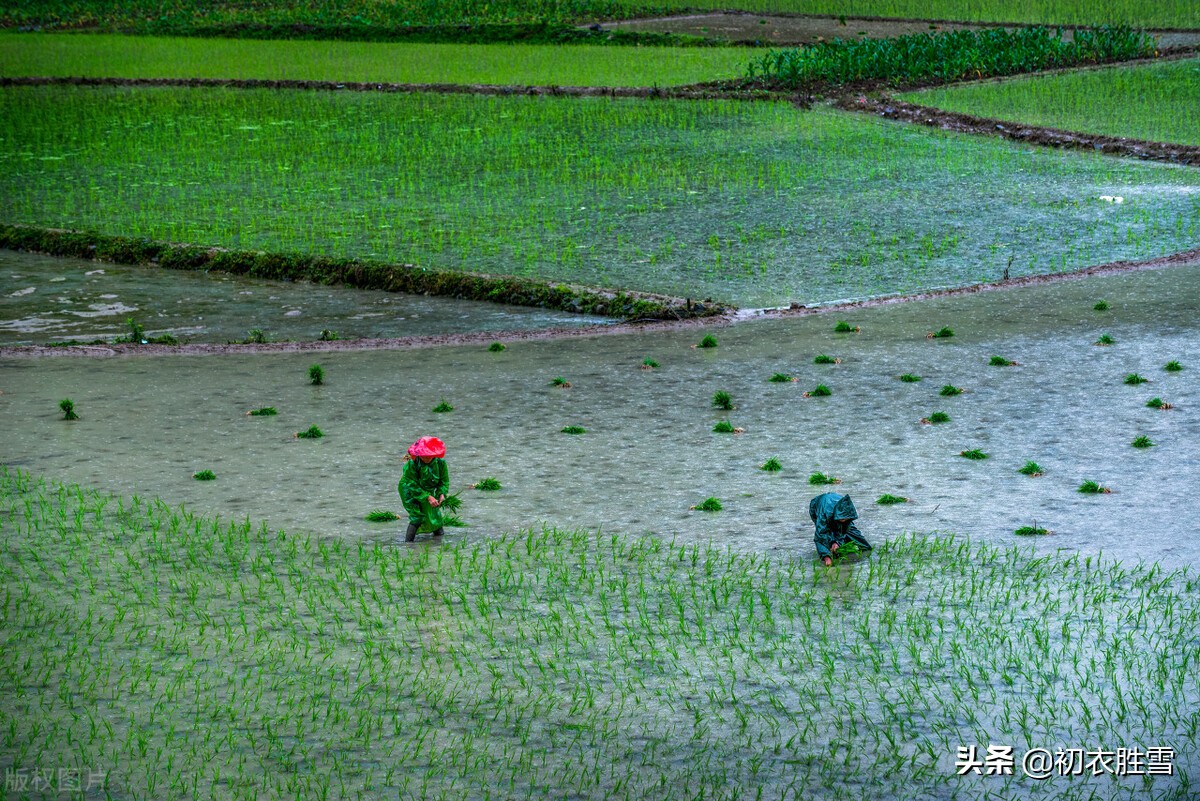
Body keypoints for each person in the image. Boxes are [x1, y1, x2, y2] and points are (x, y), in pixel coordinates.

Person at [399, 436, 449, 543]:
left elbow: (444, 481)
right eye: (424, 456)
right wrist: (427, 497)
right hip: (409, 489)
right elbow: (411, 483)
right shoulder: (412, 463)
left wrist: (441, 493)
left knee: (435, 513)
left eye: (429, 456)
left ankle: (439, 541)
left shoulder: (440, 463)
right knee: (417, 515)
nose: (426, 459)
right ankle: (408, 545)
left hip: (428, 488)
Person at [810, 492, 872, 566]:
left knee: (853, 534)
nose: (844, 521)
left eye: (846, 519)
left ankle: (837, 547)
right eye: (842, 519)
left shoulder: (848, 512)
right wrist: (826, 557)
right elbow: (820, 535)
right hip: (818, 507)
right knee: (827, 533)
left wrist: (837, 542)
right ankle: (827, 553)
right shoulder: (824, 514)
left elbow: (844, 530)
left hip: (835, 504)